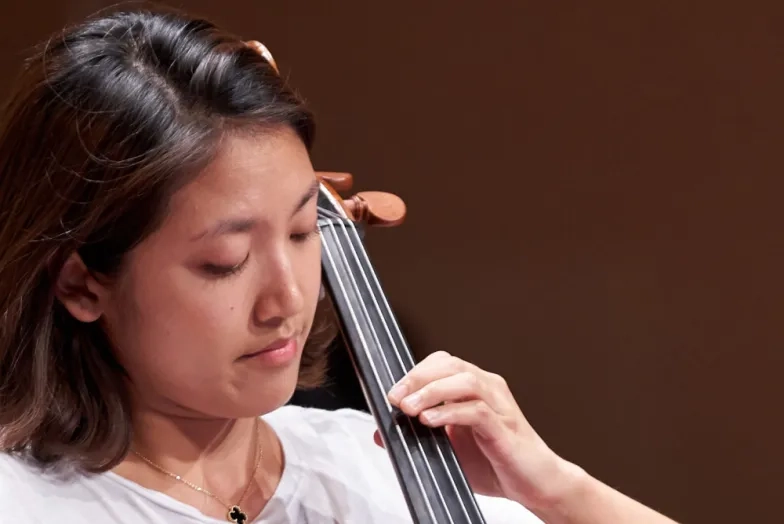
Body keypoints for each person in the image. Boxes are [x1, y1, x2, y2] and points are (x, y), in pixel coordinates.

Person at [0, 6, 678, 524]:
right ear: (82, 282)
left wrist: (555, 489)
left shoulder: (380, 468)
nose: (287, 298)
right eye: (225, 262)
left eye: (301, 231)